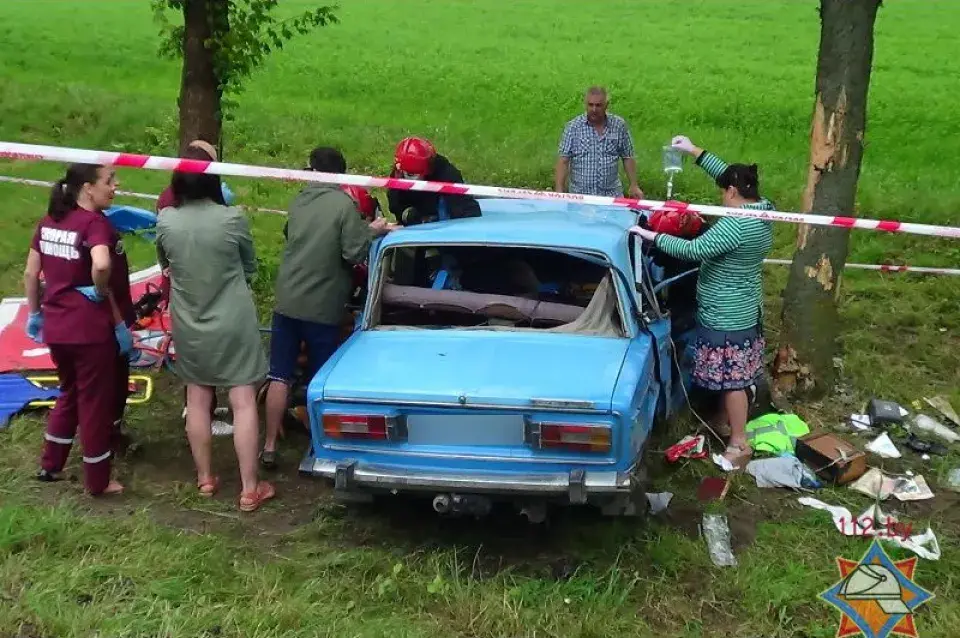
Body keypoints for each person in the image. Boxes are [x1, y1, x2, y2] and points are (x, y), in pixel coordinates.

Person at [629, 135, 774, 469]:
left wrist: (653, 236)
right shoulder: (764, 208)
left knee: (733, 380)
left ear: (733, 193)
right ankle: (727, 423)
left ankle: (739, 443)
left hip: (727, 314)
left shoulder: (736, 227)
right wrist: (694, 151)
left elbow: (693, 250)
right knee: (737, 375)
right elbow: (728, 174)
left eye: (724, 192)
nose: (721, 196)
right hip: (746, 307)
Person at [261, 147, 395, 468]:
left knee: (279, 374)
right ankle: (320, 446)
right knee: (320, 379)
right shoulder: (343, 206)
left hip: (287, 300)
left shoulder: (299, 200)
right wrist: (372, 231)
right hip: (321, 306)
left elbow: (290, 235)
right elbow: (352, 253)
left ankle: (267, 446)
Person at [156, 146, 273, 512]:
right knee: (243, 401)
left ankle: (205, 478)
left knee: (198, 399)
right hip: (233, 319)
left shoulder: (165, 221)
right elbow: (250, 265)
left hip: (189, 321)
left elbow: (165, 265)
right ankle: (250, 487)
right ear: (214, 180)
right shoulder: (232, 218)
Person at [25, 163, 136, 496]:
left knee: (69, 391)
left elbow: (31, 275)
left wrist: (35, 313)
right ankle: (98, 481)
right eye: (109, 180)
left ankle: (51, 463)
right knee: (94, 402)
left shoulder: (48, 223)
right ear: (88, 188)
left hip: (56, 326)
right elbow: (101, 263)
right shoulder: (94, 225)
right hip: (88, 329)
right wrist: (100, 289)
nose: (115, 186)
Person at [155, 139, 232, 432]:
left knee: (204, 350)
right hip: (194, 286)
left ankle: (204, 403)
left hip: (193, 284)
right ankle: (199, 411)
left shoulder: (172, 198)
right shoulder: (172, 202)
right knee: (200, 351)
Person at [555, 86, 644, 200]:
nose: (594, 109)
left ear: (606, 105)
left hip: (612, 197)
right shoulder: (573, 127)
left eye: (598, 105)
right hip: (581, 197)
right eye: (590, 105)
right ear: (585, 105)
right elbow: (563, 160)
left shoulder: (619, 125)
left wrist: (634, 185)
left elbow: (627, 156)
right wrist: (559, 191)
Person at [387, 137, 481, 225]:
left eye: (411, 174)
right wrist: (409, 216)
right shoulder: (398, 175)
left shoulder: (447, 175)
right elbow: (395, 206)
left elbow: (468, 210)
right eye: (404, 173)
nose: (403, 176)